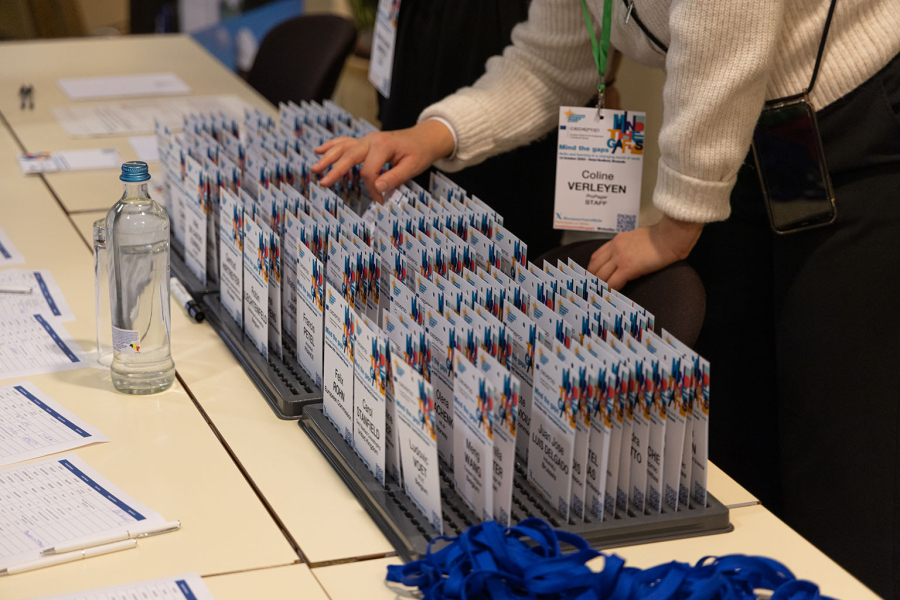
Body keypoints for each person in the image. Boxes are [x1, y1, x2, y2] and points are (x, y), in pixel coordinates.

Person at [313, 1, 900, 596]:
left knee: (846, 473)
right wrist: (434, 132)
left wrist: (678, 219)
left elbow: (728, 21)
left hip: (855, 130)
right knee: (735, 463)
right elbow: (552, 59)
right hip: (747, 144)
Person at [375, 1, 621, 258]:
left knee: (497, 229)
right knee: (410, 205)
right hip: (416, 28)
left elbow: (554, 65)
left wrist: (606, 77)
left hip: (500, 35)